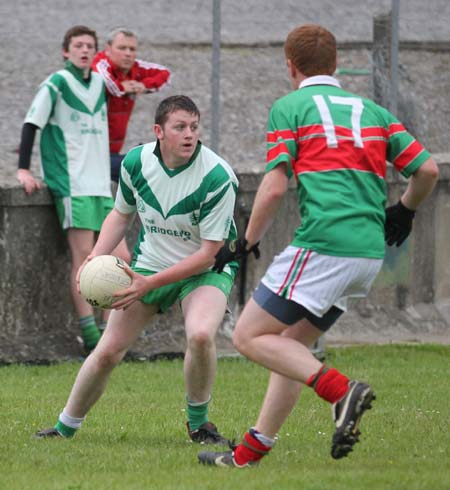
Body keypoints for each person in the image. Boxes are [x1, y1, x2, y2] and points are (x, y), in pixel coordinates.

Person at [198, 24, 439, 468]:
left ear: (290, 66)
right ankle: (250, 453)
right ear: (335, 64)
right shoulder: (374, 112)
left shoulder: (290, 107)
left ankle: (342, 391)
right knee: (292, 345)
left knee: (248, 335)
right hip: (369, 252)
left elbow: (272, 188)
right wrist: (403, 211)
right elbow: (426, 170)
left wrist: (245, 241)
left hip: (324, 243)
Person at [35, 95, 239, 445]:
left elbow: (208, 254)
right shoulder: (136, 162)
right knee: (109, 350)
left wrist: (149, 283)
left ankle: (199, 425)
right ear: (159, 131)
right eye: (180, 127)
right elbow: (120, 214)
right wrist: (95, 258)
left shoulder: (218, 176)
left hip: (204, 269)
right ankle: (64, 428)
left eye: (194, 126)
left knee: (201, 335)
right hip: (150, 263)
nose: (189, 134)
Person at [16, 25, 130, 353]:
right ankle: (90, 336)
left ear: (96, 52)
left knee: (121, 258)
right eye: (77, 45)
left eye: (89, 46)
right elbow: (30, 124)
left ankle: (110, 334)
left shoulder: (98, 83)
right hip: (72, 185)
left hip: (100, 185)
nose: (84, 50)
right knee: (84, 259)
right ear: (65, 51)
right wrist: (23, 169)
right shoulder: (56, 83)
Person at [92, 27, 171, 182]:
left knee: (154, 164)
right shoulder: (100, 64)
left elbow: (165, 74)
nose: (128, 53)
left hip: (111, 152)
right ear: (108, 49)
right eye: (122, 48)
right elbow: (108, 83)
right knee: (146, 168)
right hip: (91, 155)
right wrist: (123, 87)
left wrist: (143, 85)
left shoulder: (134, 68)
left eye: (132, 49)